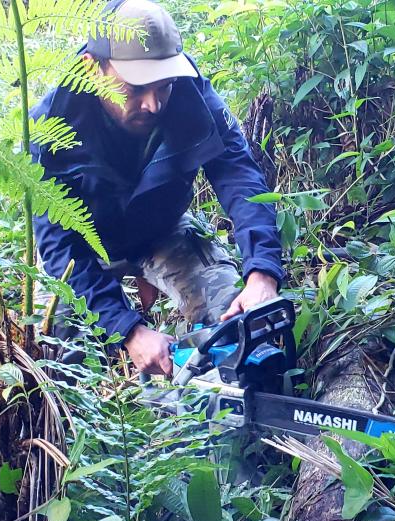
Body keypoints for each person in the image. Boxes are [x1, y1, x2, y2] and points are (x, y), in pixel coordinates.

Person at [31, 0, 283, 378]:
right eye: (135, 88)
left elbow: (238, 176)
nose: (153, 104)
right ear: (92, 69)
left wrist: (262, 270)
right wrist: (128, 329)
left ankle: (216, 414)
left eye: (163, 85)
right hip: (83, 249)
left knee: (234, 317)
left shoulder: (192, 95)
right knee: (54, 340)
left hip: (162, 230)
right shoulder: (51, 124)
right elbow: (59, 244)